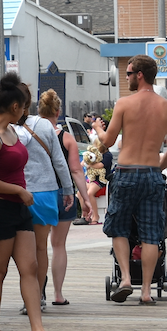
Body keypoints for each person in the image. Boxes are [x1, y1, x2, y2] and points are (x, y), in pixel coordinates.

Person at [0, 78, 52, 331]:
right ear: (15, 106)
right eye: (25, 107)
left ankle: (37, 329)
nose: (26, 112)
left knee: (29, 267)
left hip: (19, 210)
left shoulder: (11, 131)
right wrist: (18, 190)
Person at [99, 55, 167, 303]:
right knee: (150, 235)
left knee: (119, 228)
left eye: (129, 73)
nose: (127, 78)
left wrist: (98, 130)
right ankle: (146, 291)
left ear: (140, 75)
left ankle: (125, 279)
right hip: (151, 175)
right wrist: (156, 168)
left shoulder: (124, 104)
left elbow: (109, 142)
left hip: (125, 174)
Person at [15, 79, 73, 313]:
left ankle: (28, 296)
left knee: (20, 251)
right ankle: (37, 296)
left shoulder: (5, 126)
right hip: (46, 192)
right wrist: (68, 190)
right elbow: (60, 161)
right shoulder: (45, 126)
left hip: (17, 193)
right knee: (40, 248)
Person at [43, 90, 93, 304]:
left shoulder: (29, 134)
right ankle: (58, 294)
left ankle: (37, 291)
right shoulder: (67, 138)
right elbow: (76, 171)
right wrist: (86, 199)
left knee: (38, 246)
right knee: (58, 245)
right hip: (64, 194)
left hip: (40, 194)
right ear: (58, 111)